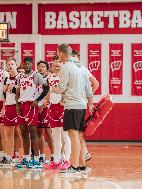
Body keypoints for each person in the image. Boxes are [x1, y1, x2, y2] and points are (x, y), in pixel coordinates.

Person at [53, 44, 93, 175]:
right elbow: (89, 87)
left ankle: (74, 166)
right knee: (79, 135)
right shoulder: (81, 66)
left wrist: (51, 87)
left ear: (61, 53)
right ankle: (81, 166)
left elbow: (62, 88)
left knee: (73, 134)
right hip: (81, 104)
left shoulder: (65, 67)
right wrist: (90, 104)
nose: (57, 55)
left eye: (58, 53)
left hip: (72, 105)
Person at [15, 57, 49, 169]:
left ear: (32, 64)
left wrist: (37, 100)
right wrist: (16, 104)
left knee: (33, 132)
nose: (26, 65)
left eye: (28, 63)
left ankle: (35, 159)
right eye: (25, 63)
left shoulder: (36, 75)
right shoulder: (19, 76)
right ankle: (26, 157)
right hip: (21, 105)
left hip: (31, 105)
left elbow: (46, 88)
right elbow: (18, 92)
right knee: (23, 133)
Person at [36, 61, 54, 163]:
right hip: (37, 107)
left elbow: (49, 93)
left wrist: (43, 105)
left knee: (48, 132)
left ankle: (53, 155)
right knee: (39, 132)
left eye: (43, 66)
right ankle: (41, 155)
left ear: (47, 68)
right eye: (39, 67)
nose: (41, 68)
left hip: (46, 107)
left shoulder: (49, 78)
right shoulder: (35, 78)